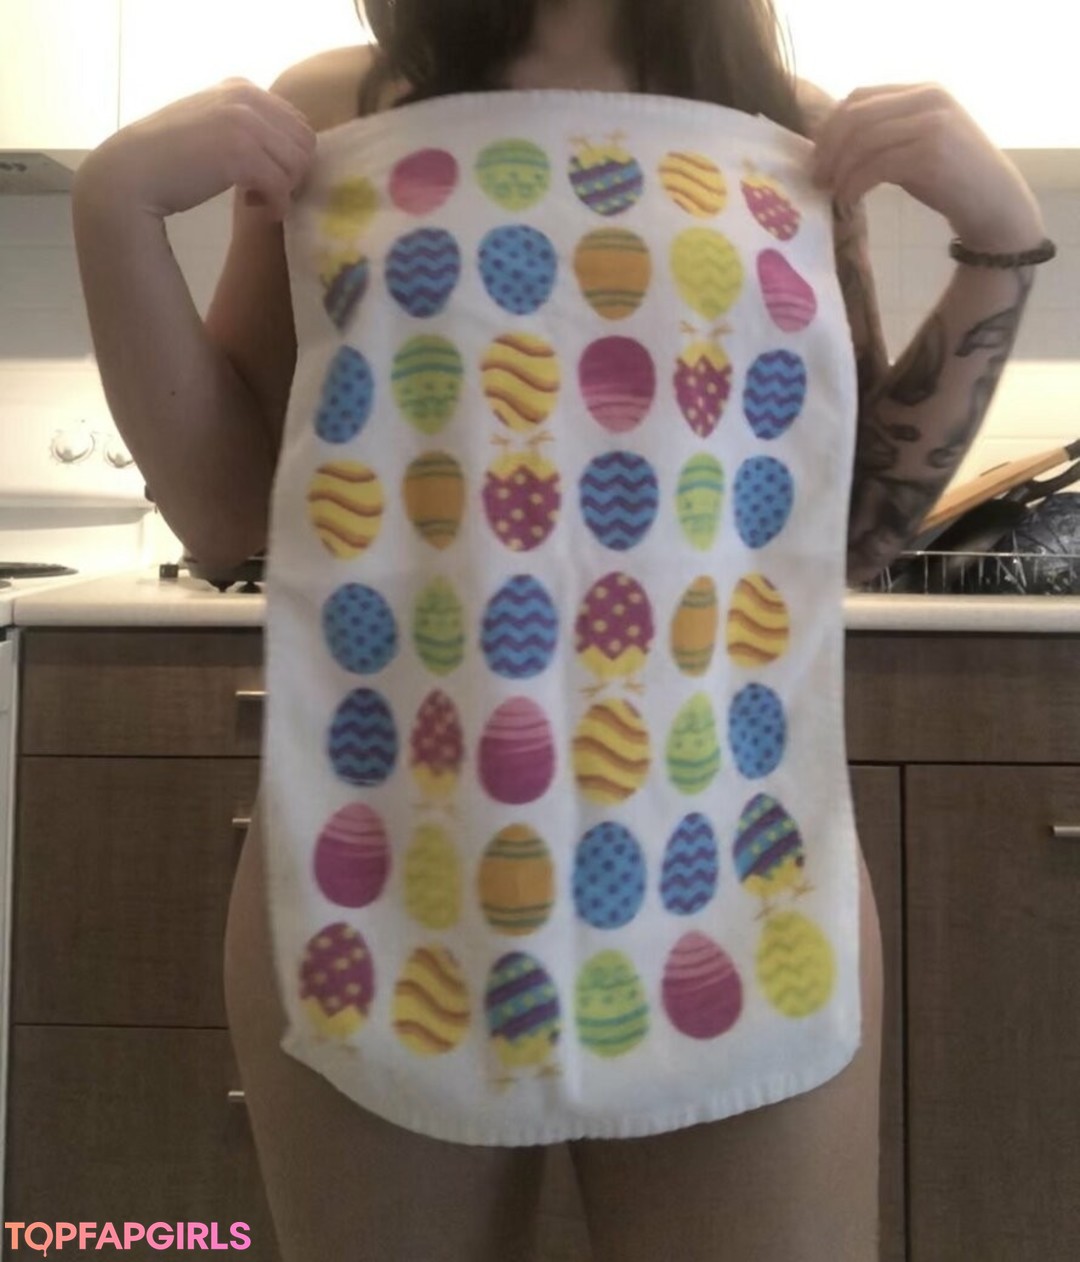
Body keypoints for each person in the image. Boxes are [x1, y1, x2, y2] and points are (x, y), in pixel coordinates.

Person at [71, 1, 1050, 1258]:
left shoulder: (797, 136)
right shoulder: (331, 113)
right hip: (387, 862)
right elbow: (223, 514)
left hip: (731, 856)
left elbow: (851, 525)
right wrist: (113, 207)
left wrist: (1001, 242)